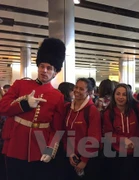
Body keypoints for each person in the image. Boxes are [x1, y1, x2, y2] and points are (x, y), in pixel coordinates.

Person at [0, 38, 66, 180]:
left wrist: (50, 149)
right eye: (42, 66)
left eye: (49, 68)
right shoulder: (20, 85)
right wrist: (24, 105)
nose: (44, 70)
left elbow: (57, 128)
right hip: (16, 143)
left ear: (55, 72)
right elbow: (3, 108)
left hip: (40, 146)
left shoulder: (58, 96)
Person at [62, 78, 101, 180]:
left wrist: (84, 160)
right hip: (70, 156)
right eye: (76, 87)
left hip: (86, 158)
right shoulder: (68, 108)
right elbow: (65, 133)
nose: (77, 91)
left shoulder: (92, 110)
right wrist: (70, 153)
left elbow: (94, 137)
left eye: (81, 89)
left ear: (88, 92)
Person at [103, 83, 139, 180]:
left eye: (124, 94)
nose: (121, 97)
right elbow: (108, 135)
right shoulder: (109, 113)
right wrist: (123, 139)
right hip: (116, 155)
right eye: (118, 94)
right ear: (114, 95)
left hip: (135, 154)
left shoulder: (135, 110)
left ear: (128, 96)